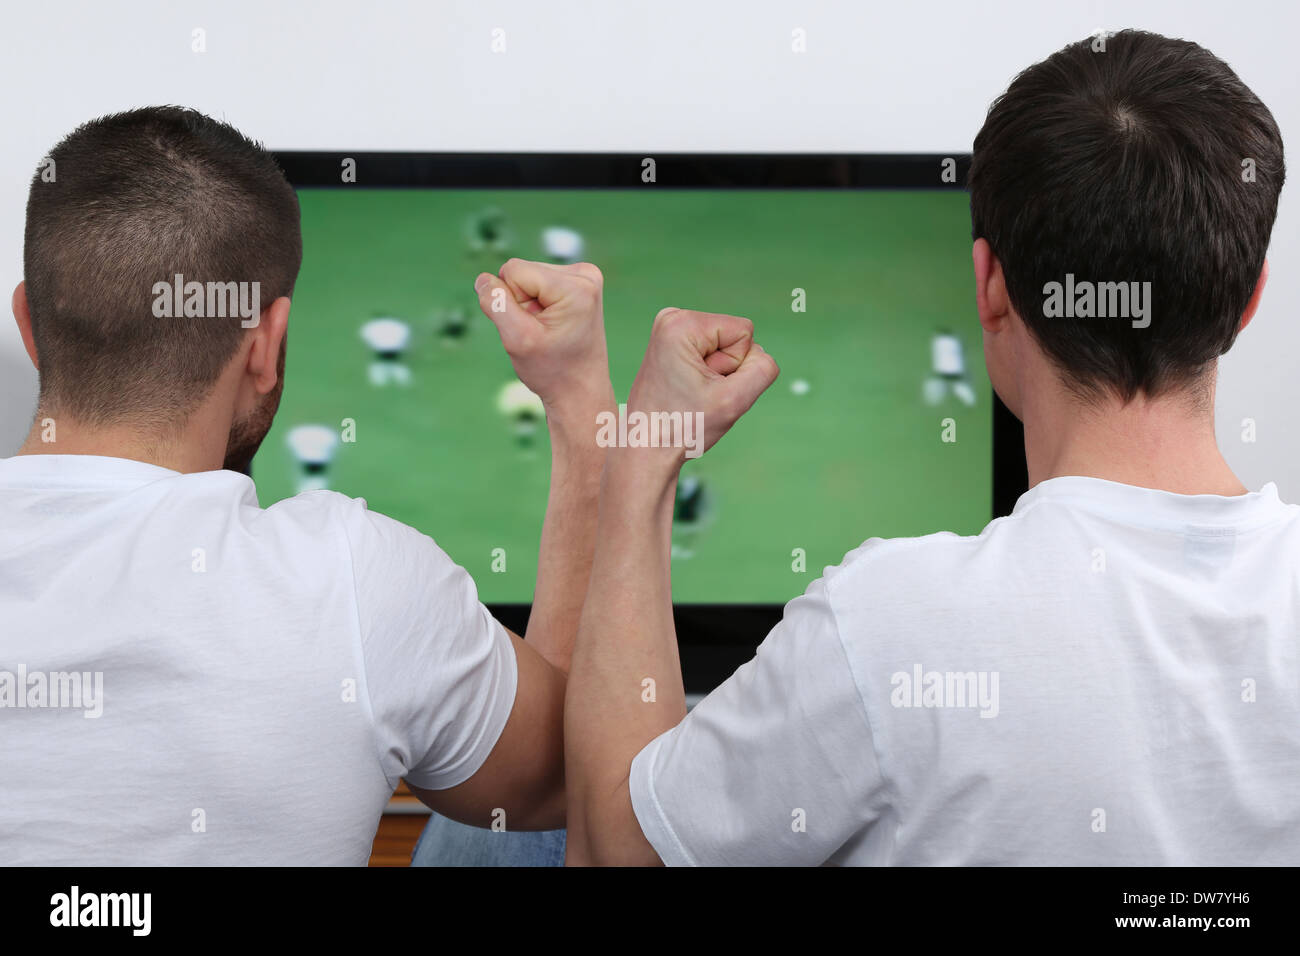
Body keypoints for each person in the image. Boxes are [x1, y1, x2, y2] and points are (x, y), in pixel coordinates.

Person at [564, 30, 1300, 865]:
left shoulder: (887, 622)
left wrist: (641, 461)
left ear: (990, 287)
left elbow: (610, 851)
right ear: (1248, 301)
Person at [0, 107, 614, 864]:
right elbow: (577, 781)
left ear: (28, 324)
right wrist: (584, 411)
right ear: (266, 346)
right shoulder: (354, 575)